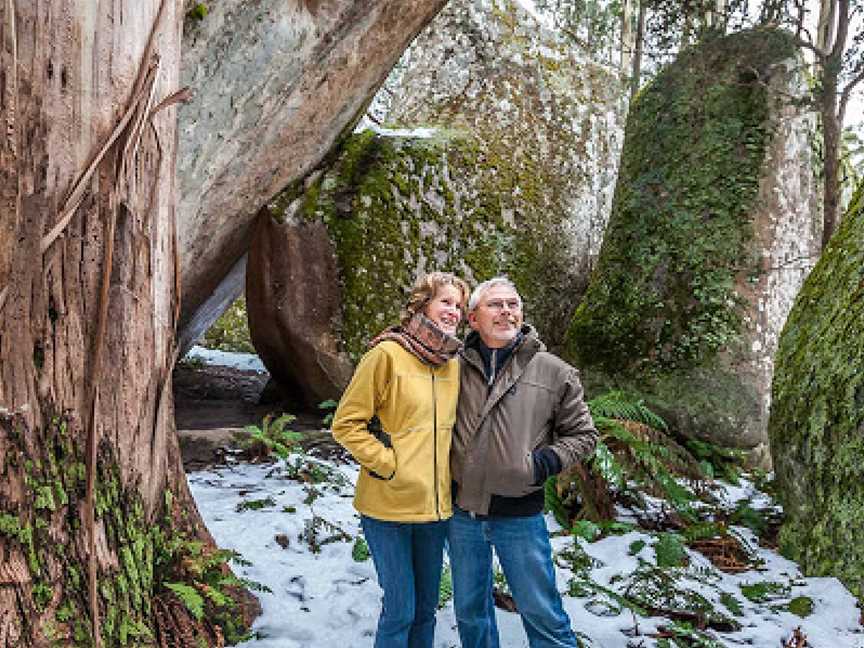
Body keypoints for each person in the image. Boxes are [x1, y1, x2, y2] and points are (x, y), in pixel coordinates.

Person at [448, 276, 598, 648]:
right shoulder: (451, 366)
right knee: (470, 612)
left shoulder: (553, 370)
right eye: (495, 305)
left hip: (519, 514)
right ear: (473, 319)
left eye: (513, 304)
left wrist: (541, 464)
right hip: (461, 512)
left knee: (541, 611)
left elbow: (583, 435)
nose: (506, 312)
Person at [331, 271, 469, 648]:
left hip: (436, 509)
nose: (453, 311)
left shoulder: (453, 364)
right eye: (445, 301)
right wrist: (390, 465)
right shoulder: (386, 354)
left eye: (459, 305)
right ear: (423, 303)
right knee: (400, 609)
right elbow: (346, 424)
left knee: (426, 610)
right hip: (387, 508)